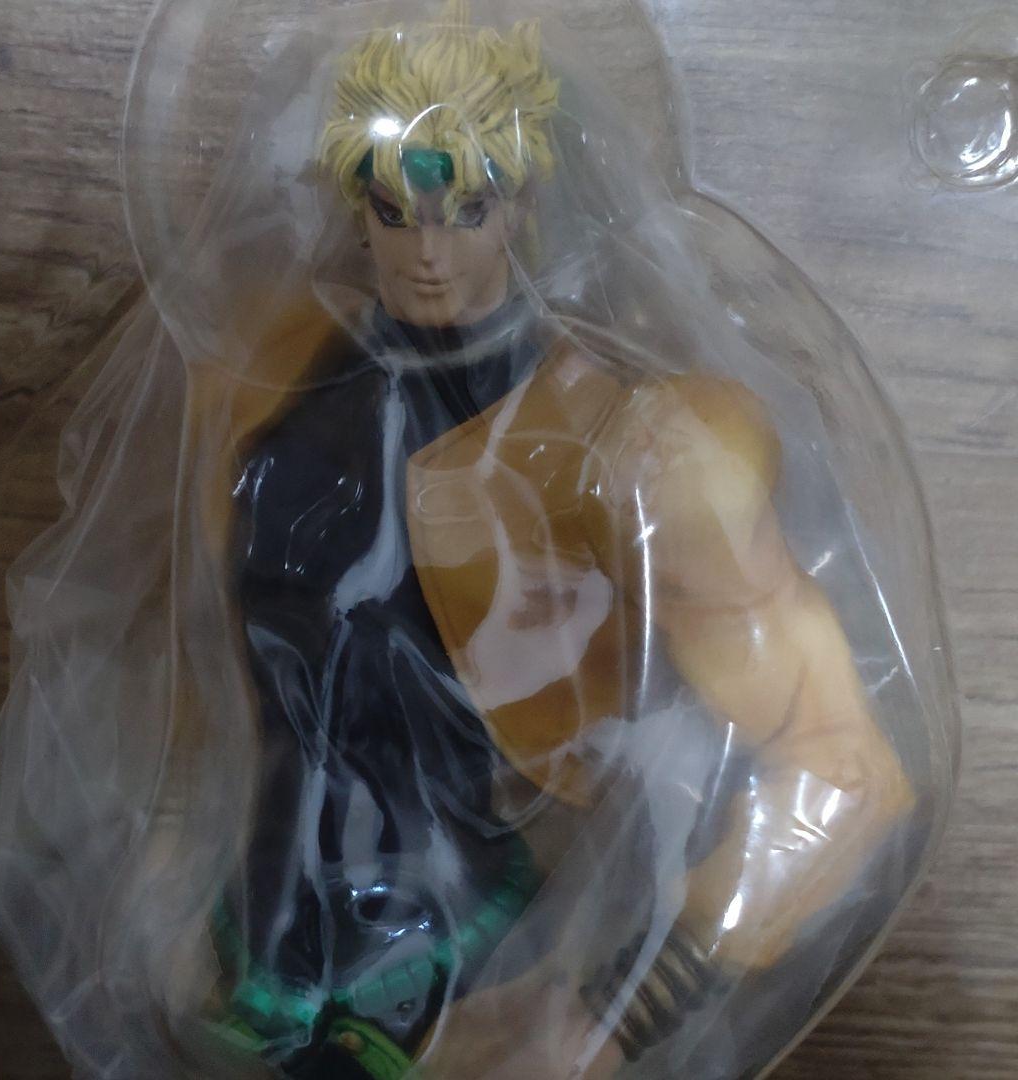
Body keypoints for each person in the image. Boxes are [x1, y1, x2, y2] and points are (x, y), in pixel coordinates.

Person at [201, 3, 915, 1077]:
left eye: (468, 208)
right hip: (264, 952)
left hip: (470, 969)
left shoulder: (630, 452)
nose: (428, 253)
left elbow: (843, 768)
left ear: (523, 205)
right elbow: (262, 721)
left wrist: (618, 1009)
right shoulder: (278, 396)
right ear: (357, 210)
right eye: (395, 212)